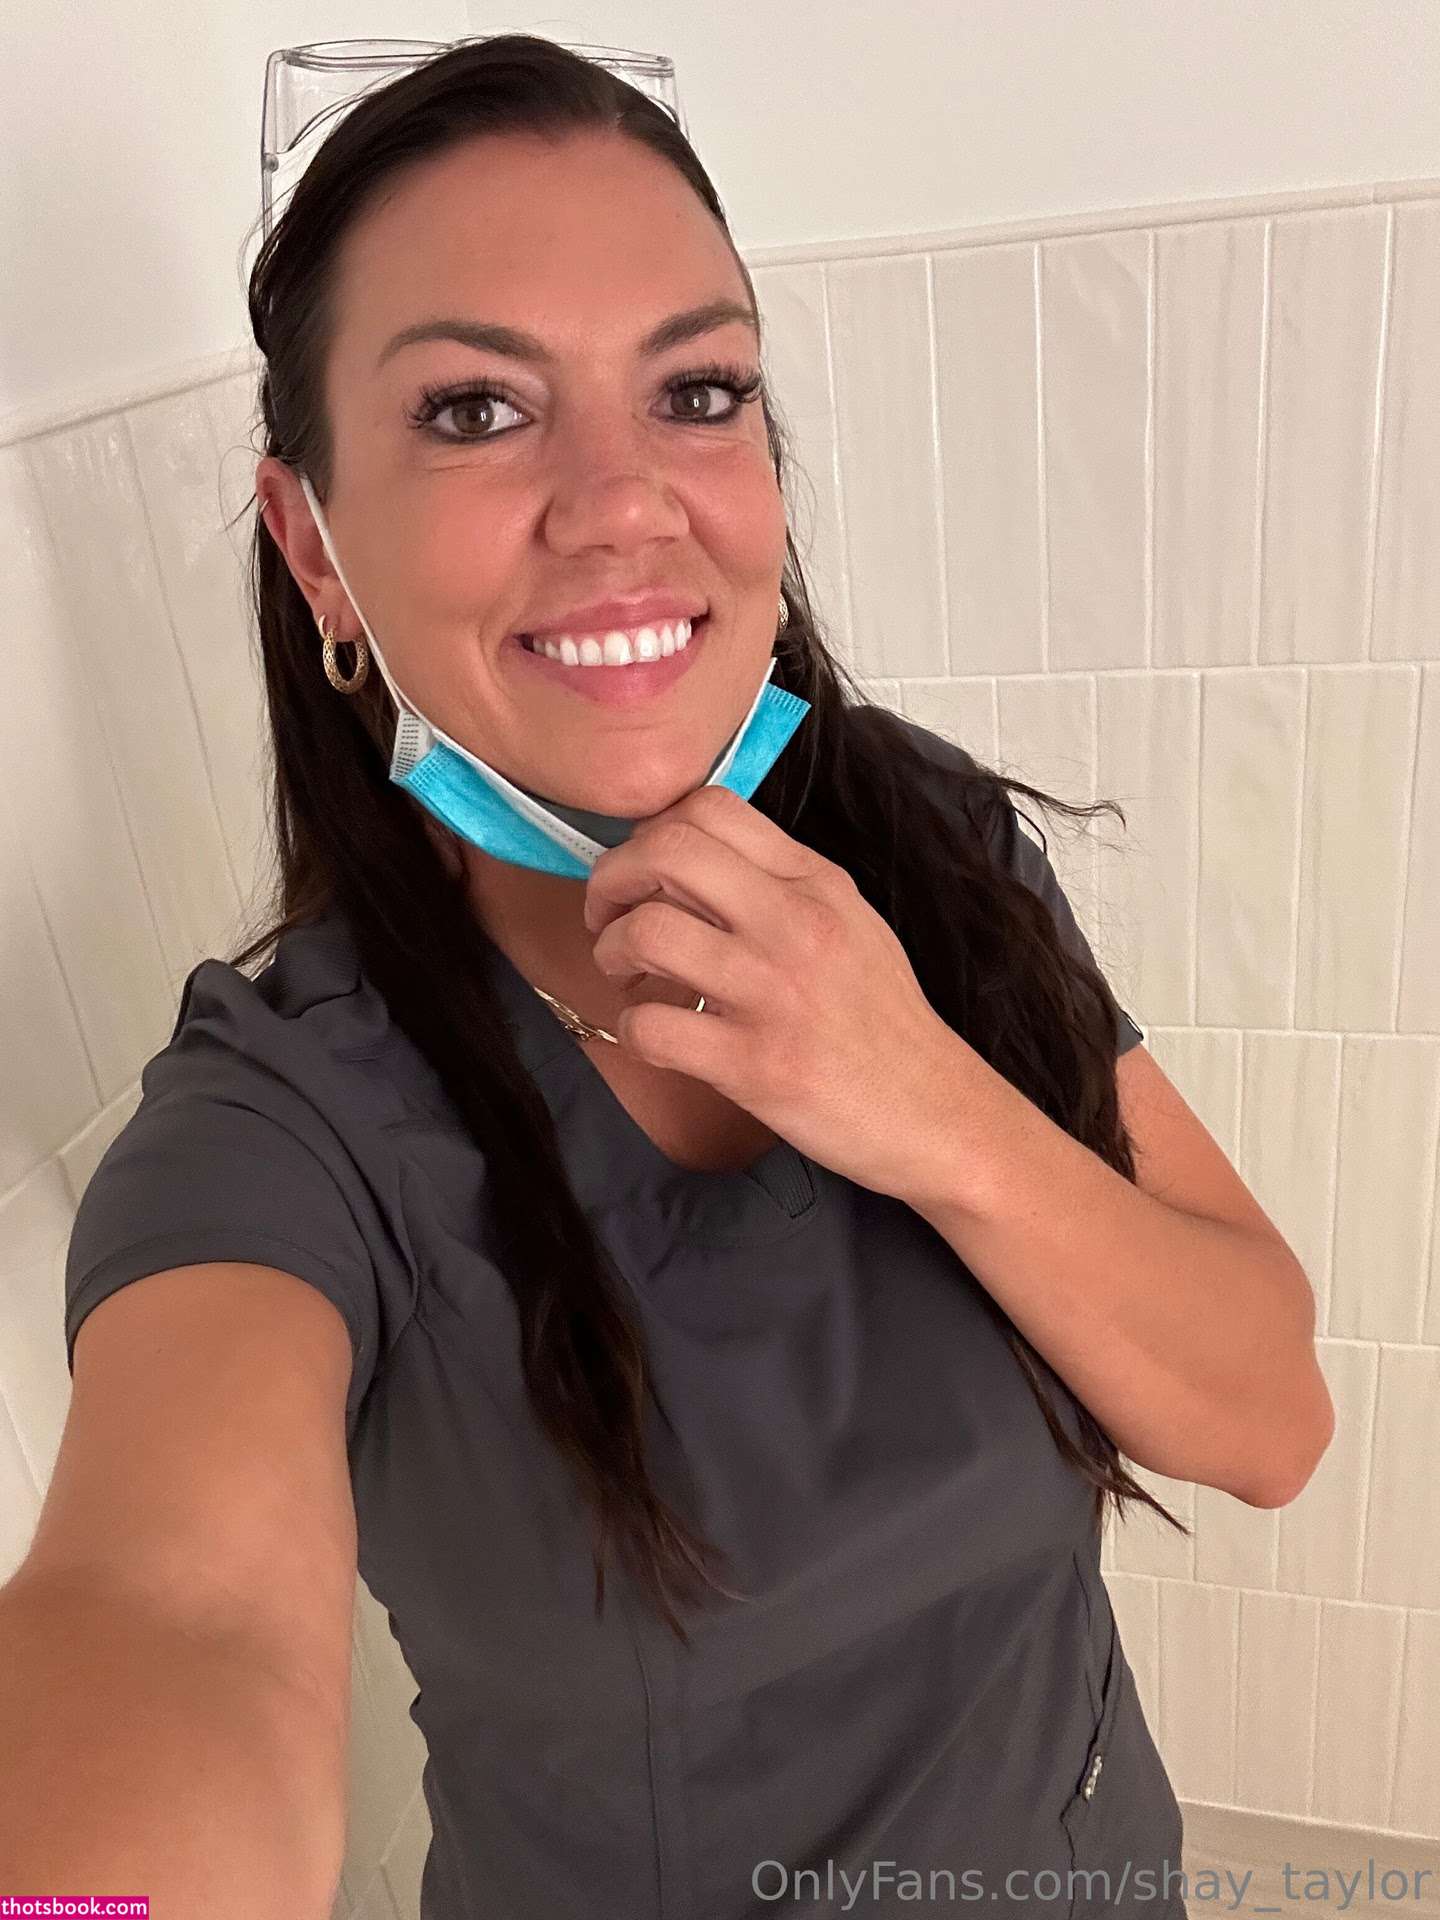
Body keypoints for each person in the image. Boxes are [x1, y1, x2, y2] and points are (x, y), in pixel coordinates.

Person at [6, 33, 1330, 1920]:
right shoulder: (284, 1121)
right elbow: (166, 1621)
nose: (624, 501)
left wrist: (921, 1097)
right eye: (477, 410)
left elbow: (1269, 1419)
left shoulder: (927, 852)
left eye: (698, 392)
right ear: (313, 546)